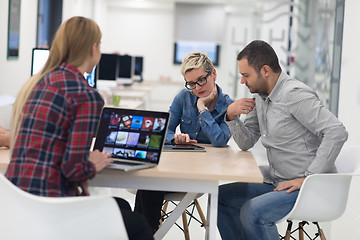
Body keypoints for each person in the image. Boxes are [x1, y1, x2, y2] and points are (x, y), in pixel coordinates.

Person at [5, 16, 153, 240]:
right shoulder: (86, 96)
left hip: (16, 205)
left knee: (120, 204)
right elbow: (73, 169)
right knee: (138, 225)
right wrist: (92, 164)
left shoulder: (37, 83)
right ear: (94, 48)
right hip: (52, 209)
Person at [217, 40, 348, 240]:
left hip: (310, 188)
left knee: (253, 213)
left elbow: (336, 131)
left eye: (246, 75)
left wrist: (308, 178)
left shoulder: (294, 95)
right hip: (279, 181)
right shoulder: (262, 97)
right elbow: (247, 141)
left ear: (265, 70)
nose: (242, 81)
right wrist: (231, 116)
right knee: (218, 198)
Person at [135, 52, 234, 232]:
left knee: (149, 185)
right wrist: (174, 138)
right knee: (148, 179)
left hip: (203, 173)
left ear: (213, 73)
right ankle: (145, 232)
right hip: (178, 167)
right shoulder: (183, 97)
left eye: (201, 80)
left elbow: (220, 140)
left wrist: (202, 109)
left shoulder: (228, 105)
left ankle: (144, 232)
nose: (196, 88)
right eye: (191, 83)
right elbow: (164, 130)